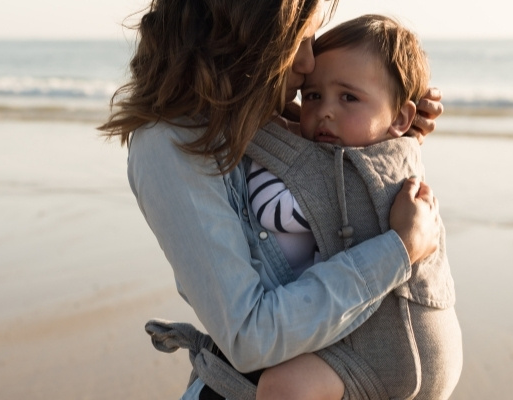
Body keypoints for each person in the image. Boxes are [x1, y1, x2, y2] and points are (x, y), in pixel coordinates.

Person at [98, 0, 444, 398]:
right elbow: (250, 336)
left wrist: (388, 129)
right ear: (247, 35)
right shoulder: (168, 146)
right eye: (300, 39)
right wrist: (399, 251)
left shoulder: (257, 114)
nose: (309, 62)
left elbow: (342, 156)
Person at [247, 15, 461, 400]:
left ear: (400, 118)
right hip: (434, 338)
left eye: (348, 97)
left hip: (384, 350)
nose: (325, 111)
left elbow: (273, 207)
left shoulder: (352, 173)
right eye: (312, 96)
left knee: (280, 388)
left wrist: (255, 133)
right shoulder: (394, 152)